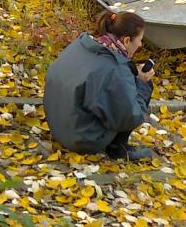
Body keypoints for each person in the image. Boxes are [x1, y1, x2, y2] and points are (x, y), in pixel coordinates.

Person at [44, 10, 155, 161]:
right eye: (140, 40)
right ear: (127, 41)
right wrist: (141, 83)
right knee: (140, 89)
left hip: (58, 125)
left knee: (124, 89)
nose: (141, 44)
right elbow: (130, 117)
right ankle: (119, 150)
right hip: (82, 139)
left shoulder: (83, 44)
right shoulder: (116, 69)